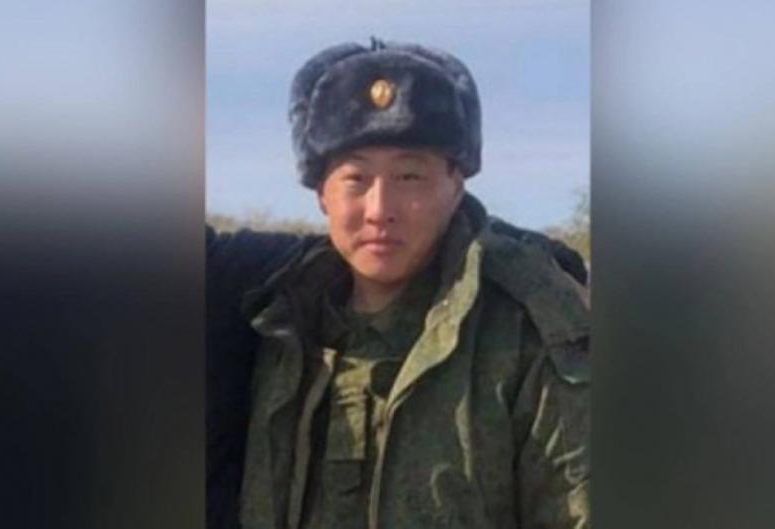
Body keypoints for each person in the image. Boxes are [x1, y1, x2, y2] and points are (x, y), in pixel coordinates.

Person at [231, 38, 590, 529]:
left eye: (410, 177)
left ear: (455, 186)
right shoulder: (275, 325)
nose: (380, 210)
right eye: (356, 179)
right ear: (321, 195)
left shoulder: (530, 330)